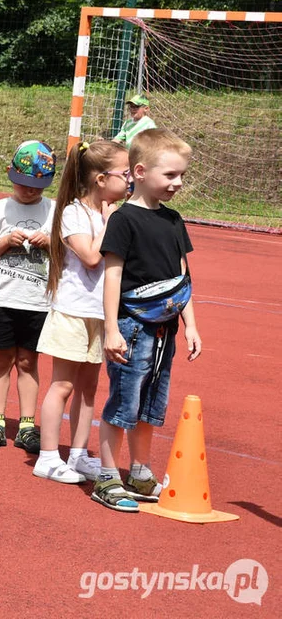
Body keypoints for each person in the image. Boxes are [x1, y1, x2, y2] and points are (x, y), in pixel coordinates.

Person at [93, 128, 202, 512]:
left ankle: (139, 472)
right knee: (123, 403)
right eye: (170, 175)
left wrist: (191, 324)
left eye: (181, 175)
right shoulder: (123, 220)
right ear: (139, 171)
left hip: (164, 329)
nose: (178, 183)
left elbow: (181, 278)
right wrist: (110, 329)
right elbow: (113, 276)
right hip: (130, 327)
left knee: (151, 404)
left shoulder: (174, 221)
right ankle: (107, 477)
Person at [32, 141, 129, 484]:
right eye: (125, 173)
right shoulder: (73, 212)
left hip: (99, 313)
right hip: (72, 312)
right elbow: (90, 256)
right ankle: (47, 457)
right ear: (102, 179)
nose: (130, 180)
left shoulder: (107, 213)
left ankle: (77, 454)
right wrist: (108, 224)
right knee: (62, 385)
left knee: (89, 388)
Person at [0, 140, 55, 453]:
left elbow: (65, 251)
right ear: (11, 175)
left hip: (37, 302)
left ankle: (26, 425)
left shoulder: (53, 210)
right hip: (3, 299)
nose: (29, 192)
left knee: (28, 361)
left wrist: (49, 242)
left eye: (36, 187)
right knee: (3, 360)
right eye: (23, 185)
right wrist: (6, 240)